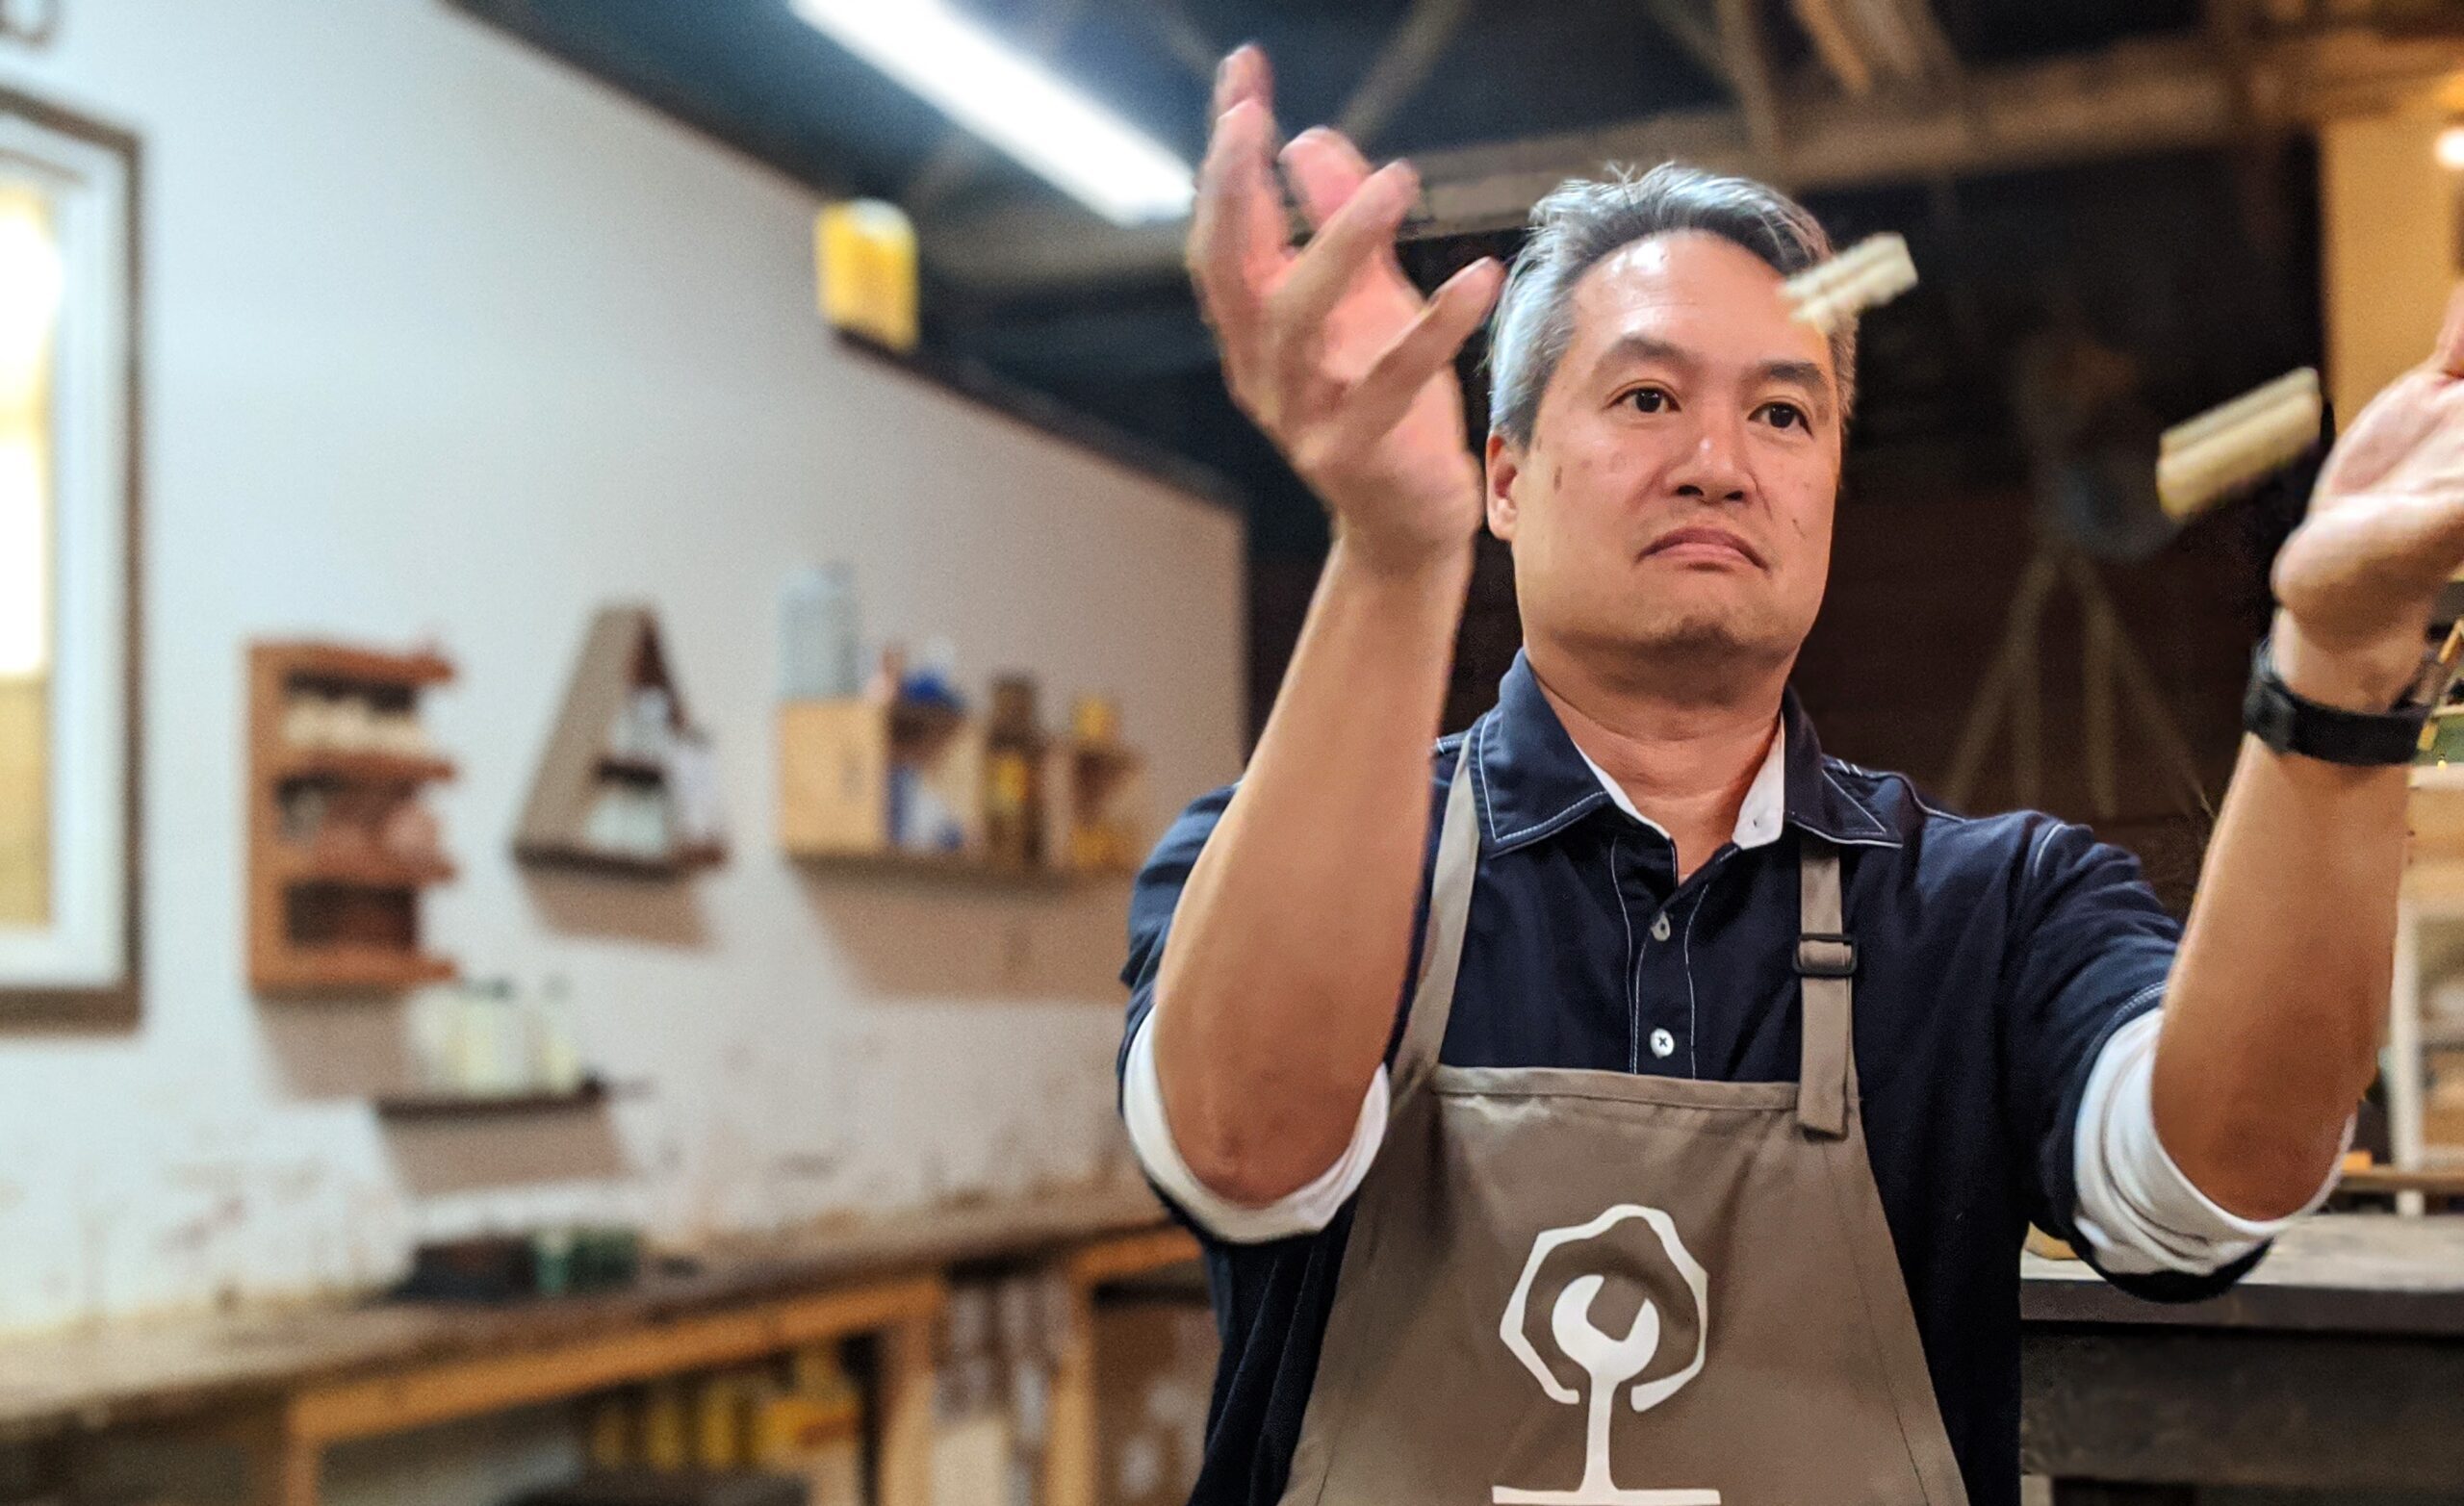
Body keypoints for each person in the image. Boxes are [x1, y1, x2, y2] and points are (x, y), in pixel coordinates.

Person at [1116, 43, 2464, 1506]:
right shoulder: (1282, 854)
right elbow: (1244, 1147)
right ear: (1503, 478)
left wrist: (2338, 668)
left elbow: (2215, 1184)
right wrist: (1389, 551)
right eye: (1644, 400)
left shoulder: (1992, 910)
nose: (1718, 460)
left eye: (1782, 412)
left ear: (1828, 483)